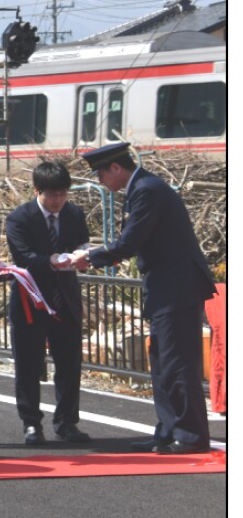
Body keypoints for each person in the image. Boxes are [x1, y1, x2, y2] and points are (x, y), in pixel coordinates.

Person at [77, 143, 215, 454]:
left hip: (177, 286)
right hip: (164, 285)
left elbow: (129, 242)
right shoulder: (142, 187)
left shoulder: (147, 190)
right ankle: (168, 430)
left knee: (178, 363)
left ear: (115, 168)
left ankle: (191, 436)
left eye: (101, 174)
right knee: (162, 362)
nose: (101, 182)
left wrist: (90, 257)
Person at [5, 160, 91, 445]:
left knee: (69, 364)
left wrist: (83, 255)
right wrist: (51, 260)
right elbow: (23, 256)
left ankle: (67, 421)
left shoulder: (74, 213)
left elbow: (81, 243)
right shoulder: (20, 217)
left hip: (65, 298)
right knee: (28, 364)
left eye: (62, 194)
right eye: (51, 195)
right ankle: (31, 423)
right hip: (30, 300)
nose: (57, 201)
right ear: (37, 191)